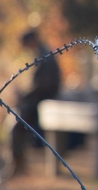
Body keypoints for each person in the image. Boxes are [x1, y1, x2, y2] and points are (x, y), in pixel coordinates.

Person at [7, 29, 61, 177]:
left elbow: (44, 86)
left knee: (17, 124)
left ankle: (18, 167)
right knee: (16, 117)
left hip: (44, 102)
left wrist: (25, 96)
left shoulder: (45, 57)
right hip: (41, 100)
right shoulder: (42, 54)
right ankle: (18, 165)